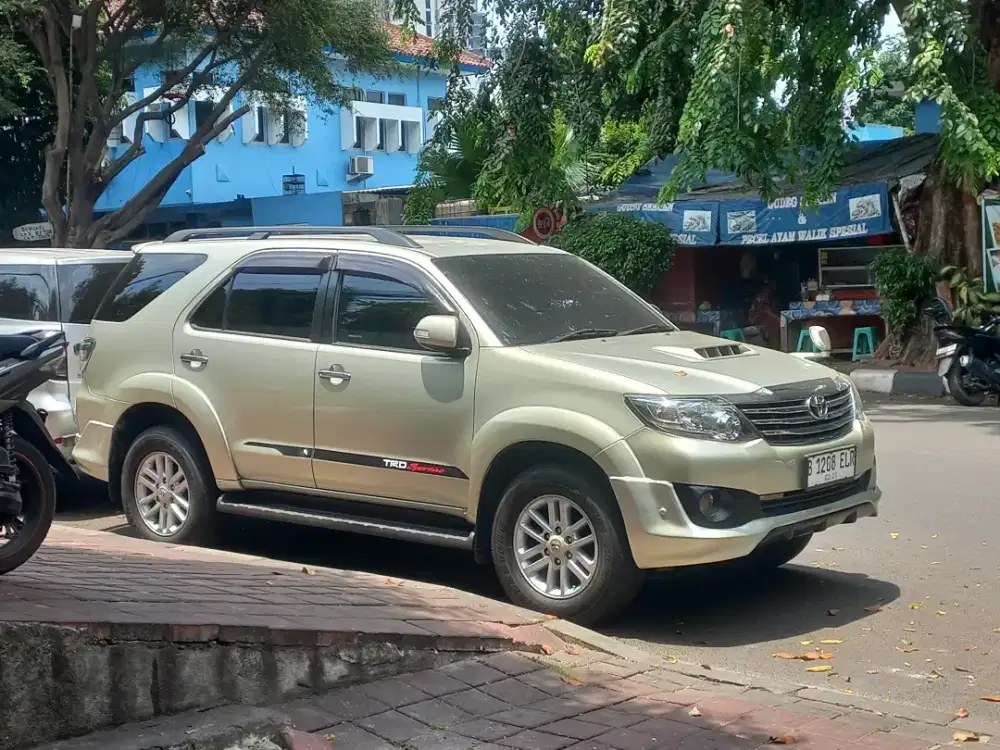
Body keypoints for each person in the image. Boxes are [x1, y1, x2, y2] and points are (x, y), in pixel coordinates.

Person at [748, 276, 781, 347]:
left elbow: (777, 318)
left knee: (775, 324)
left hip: (772, 321)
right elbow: (752, 319)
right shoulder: (756, 302)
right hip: (760, 321)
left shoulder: (773, 301)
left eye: (768, 292)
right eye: (765, 292)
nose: (766, 293)